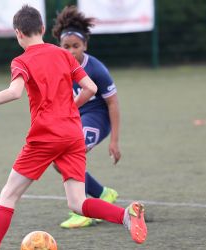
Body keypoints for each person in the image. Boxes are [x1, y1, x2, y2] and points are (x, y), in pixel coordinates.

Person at [0, 5, 147, 250]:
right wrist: (69, 108)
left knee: (9, 195)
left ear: (18, 33)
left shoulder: (21, 61)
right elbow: (92, 88)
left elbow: (14, 92)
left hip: (45, 136)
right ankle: (125, 216)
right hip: (73, 135)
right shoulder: (63, 54)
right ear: (42, 29)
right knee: (77, 202)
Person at [51, 5, 122, 229]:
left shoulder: (96, 69)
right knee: (57, 161)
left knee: (71, 155)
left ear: (85, 45)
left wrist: (114, 141)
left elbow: (113, 103)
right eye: (66, 46)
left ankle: (84, 209)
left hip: (98, 117)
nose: (71, 51)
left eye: (76, 46)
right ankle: (103, 194)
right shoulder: (57, 66)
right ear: (59, 46)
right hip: (75, 118)